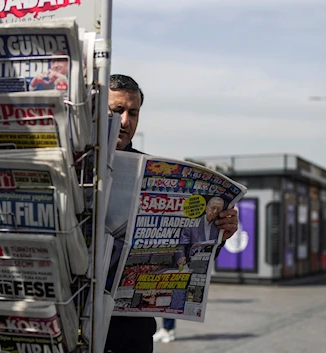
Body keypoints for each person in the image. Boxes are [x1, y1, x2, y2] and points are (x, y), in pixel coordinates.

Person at [103, 74, 240, 353]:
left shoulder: (152, 169)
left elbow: (189, 259)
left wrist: (220, 234)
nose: (126, 121)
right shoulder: (70, 166)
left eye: (134, 112)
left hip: (130, 332)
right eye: (117, 111)